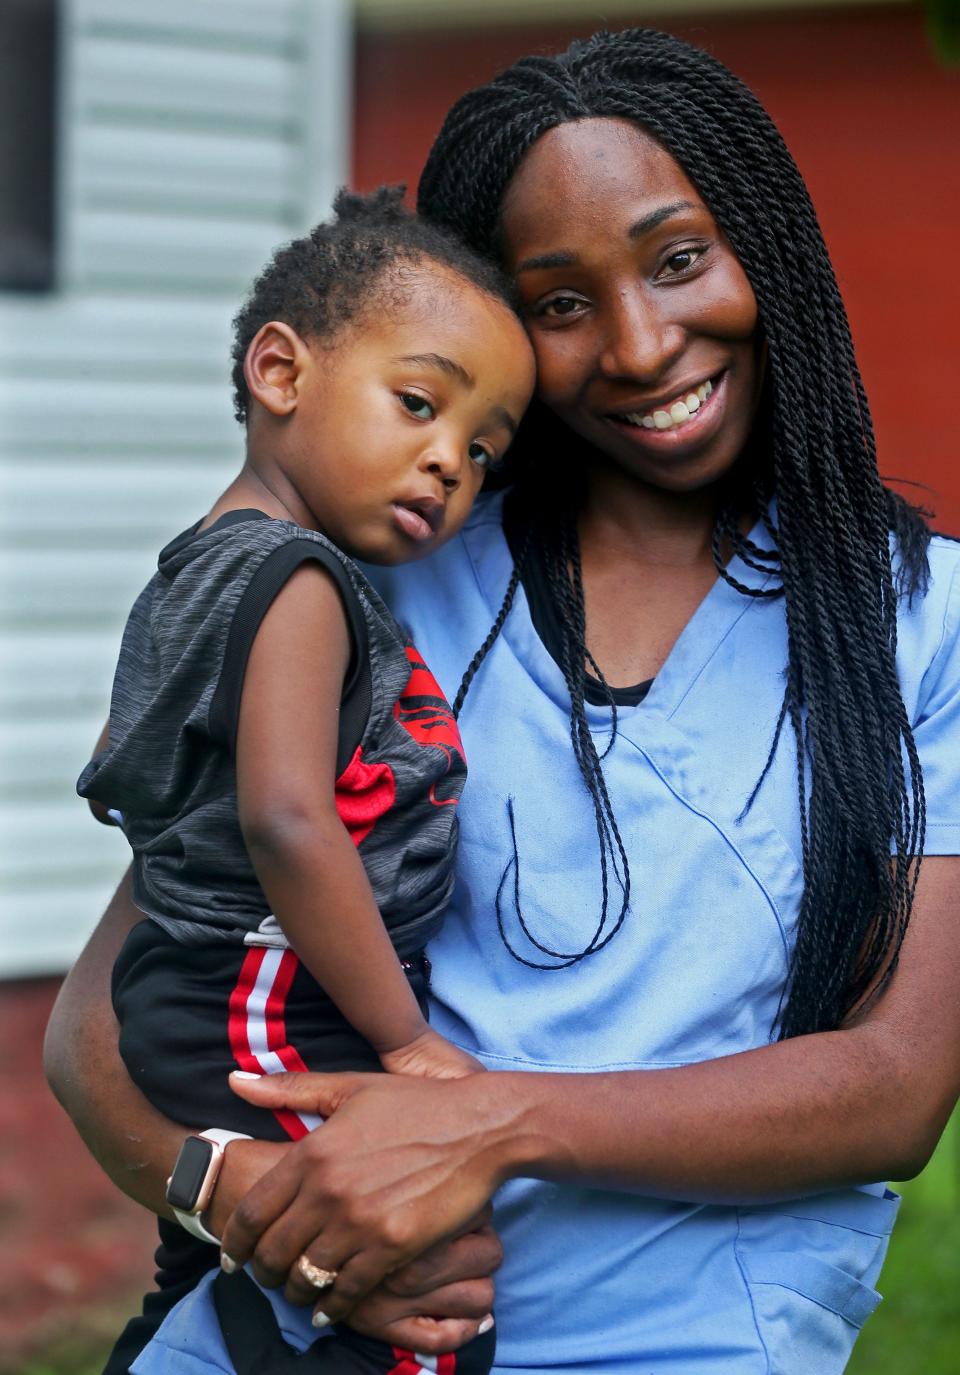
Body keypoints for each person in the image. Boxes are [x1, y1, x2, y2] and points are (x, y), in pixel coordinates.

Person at [45, 28, 960, 1375]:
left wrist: (493, 1121)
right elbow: (90, 1030)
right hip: (317, 1312)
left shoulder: (920, 619)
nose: (644, 344)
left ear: (765, 246)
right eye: (561, 299)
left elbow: (894, 1085)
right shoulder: (387, 577)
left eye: (678, 257)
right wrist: (248, 1202)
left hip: (692, 1331)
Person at [72, 187, 534, 1374]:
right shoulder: (300, 583)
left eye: (483, 451)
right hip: (268, 986)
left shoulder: (203, 563)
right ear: (280, 370)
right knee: (414, 1290)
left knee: (236, 1252)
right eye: (420, 404)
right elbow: (287, 819)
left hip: (196, 977)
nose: (449, 463)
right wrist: (407, 1043)